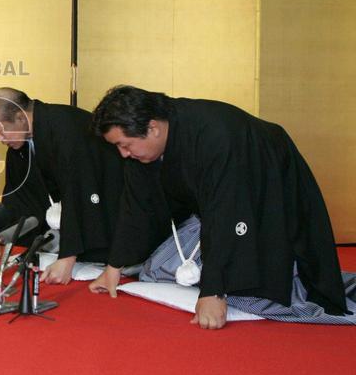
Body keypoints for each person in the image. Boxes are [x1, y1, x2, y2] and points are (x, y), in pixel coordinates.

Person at [88, 85, 356, 328]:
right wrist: (114, 267)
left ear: (153, 128)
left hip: (265, 182)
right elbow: (137, 207)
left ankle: (294, 276)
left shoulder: (216, 134)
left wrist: (213, 292)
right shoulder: (143, 151)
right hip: (222, 206)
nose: (123, 154)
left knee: (256, 290)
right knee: (155, 270)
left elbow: (227, 212)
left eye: (125, 145)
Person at [0, 88, 124, 284]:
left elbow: (80, 190)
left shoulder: (67, 128)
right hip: (77, 204)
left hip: (111, 199)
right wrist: (1, 237)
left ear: (20, 117)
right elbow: (18, 195)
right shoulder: (21, 140)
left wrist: (68, 257)